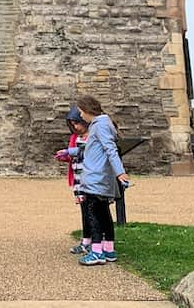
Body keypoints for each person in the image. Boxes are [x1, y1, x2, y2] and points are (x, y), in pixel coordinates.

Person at [75, 94, 129, 266]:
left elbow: (110, 149)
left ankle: (96, 251)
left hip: (95, 179)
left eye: (80, 112)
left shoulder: (99, 126)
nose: (80, 116)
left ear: (86, 110)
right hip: (99, 177)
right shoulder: (102, 124)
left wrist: (120, 172)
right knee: (104, 213)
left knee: (94, 215)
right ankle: (109, 249)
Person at [54, 106, 91, 254]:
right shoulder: (75, 137)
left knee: (93, 212)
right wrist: (65, 156)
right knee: (84, 210)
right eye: (72, 124)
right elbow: (72, 153)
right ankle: (86, 240)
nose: (75, 127)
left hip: (90, 180)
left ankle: (97, 242)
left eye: (77, 123)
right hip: (78, 181)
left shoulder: (92, 135)